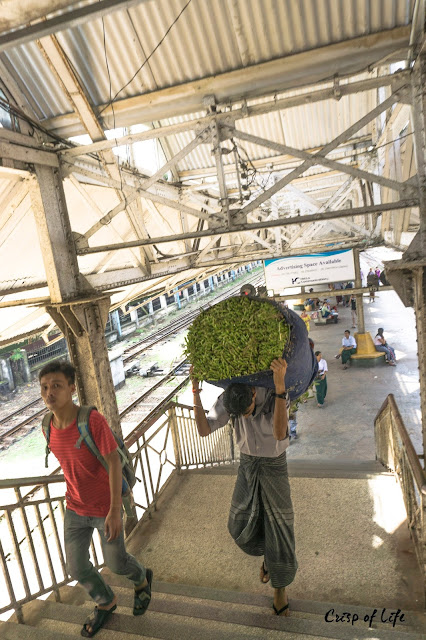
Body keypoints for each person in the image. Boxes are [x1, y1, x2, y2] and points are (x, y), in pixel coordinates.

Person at [39, 361, 152, 638]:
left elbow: (113, 462)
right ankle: (105, 601)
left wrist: (115, 511)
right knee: (76, 567)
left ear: (71, 388)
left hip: (105, 508)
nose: (49, 393)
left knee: (116, 563)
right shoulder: (47, 426)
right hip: (75, 507)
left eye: (56, 386)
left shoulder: (92, 420)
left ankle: (141, 579)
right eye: (44, 388)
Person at [192, 358, 297, 617]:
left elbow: (280, 433)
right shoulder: (232, 398)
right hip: (247, 465)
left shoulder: (275, 392)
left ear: (253, 392)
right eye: (240, 415)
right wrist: (195, 392)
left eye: (249, 410)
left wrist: (281, 386)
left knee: (280, 526)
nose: (246, 416)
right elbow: (204, 430)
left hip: (274, 466)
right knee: (237, 523)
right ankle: (268, 557)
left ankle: (280, 589)